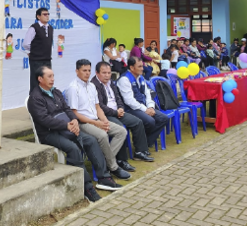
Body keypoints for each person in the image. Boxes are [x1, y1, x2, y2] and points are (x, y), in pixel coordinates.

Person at [27, 66, 121, 203]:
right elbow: (44, 120)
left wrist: (74, 121)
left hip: (68, 128)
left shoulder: (56, 92)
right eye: (49, 76)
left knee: (91, 140)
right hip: (49, 133)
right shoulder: (35, 98)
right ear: (40, 79)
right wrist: (67, 125)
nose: (52, 79)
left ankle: (104, 177)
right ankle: (87, 187)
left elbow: (67, 109)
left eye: (53, 76)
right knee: (73, 148)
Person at [66, 60, 130, 180]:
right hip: (83, 122)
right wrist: (97, 123)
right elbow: (74, 113)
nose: (87, 73)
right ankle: (113, 167)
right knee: (102, 135)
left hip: (96, 119)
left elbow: (97, 107)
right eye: (84, 70)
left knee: (121, 131)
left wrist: (104, 121)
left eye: (89, 70)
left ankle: (104, 161)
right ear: (77, 71)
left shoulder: (91, 86)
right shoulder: (73, 88)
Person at [91, 62, 153, 167]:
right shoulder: (94, 85)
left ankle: (140, 152)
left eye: (109, 73)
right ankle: (121, 160)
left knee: (137, 122)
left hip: (117, 111)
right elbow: (100, 106)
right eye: (104, 73)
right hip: (105, 115)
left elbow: (118, 97)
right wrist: (115, 112)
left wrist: (120, 108)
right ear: (97, 73)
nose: (107, 75)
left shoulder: (111, 82)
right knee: (120, 129)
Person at [116, 57, 168, 150]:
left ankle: (146, 142)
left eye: (142, 66)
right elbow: (129, 101)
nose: (142, 68)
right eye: (139, 66)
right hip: (130, 109)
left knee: (163, 118)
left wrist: (150, 107)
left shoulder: (141, 78)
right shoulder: (124, 79)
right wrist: (145, 110)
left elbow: (147, 93)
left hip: (143, 107)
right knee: (150, 121)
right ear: (132, 68)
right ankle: (142, 145)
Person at [23, 8, 53, 93]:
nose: (47, 16)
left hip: (47, 59)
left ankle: (46, 103)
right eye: (44, 14)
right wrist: (33, 52)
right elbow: (26, 43)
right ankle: (34, 102)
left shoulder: (50, 28)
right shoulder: (34, 28)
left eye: (48, 14)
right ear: (38, 16)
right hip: (36, 60)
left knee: (47, 81)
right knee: (36, 82)